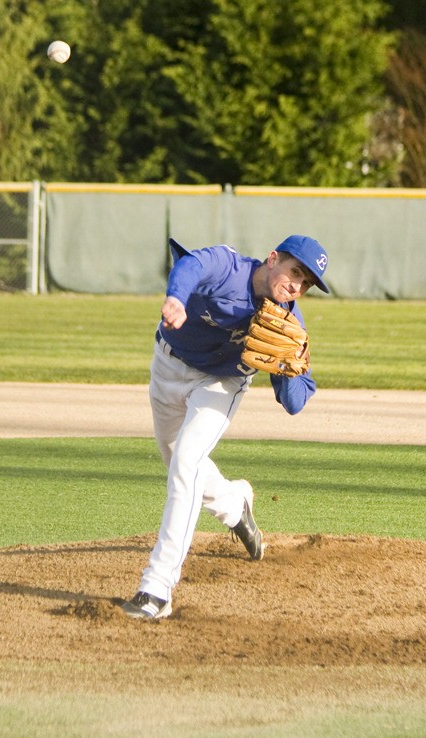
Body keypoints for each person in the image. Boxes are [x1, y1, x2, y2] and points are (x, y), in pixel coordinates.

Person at [121, 234, 330, 619]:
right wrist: (176, 299)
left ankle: (157, 587)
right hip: (168, 364)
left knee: (186, 462)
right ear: (272, 260)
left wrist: (285, 368)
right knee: (175, 459)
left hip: (221, 383)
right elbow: (191, 266)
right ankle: (235, 504)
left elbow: (295, 403)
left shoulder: (289, 323)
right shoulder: (229, 267)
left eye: (305, 284)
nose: (296, 286)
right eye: (294, 272)